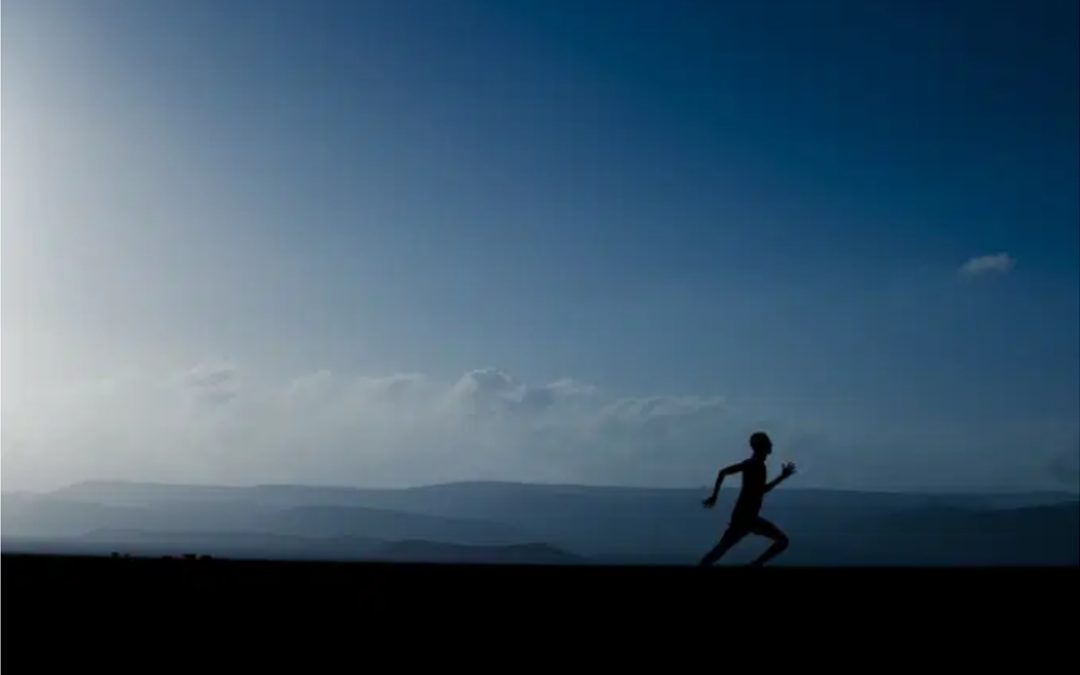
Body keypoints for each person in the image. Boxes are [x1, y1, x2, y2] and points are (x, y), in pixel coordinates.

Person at [698, 431, 795, 567]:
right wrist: (714, 496)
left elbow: (758, 489)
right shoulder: (754, 464)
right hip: (745, 518)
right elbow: (724, 472)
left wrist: (715, 496)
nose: (771, 444)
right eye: (768, 442)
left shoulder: (756, 464)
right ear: (763, 446)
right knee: (782, 541)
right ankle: (756, 565)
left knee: (719, 551)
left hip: (746, 517)